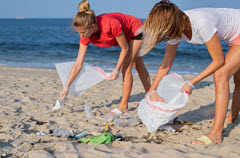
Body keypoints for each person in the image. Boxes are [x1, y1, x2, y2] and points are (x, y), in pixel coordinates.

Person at [139, 0, 240, 145]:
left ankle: (216, 134)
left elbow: (218, 61)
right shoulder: (175, 30)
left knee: (221, 74)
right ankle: (232, 117)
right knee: (238, 80)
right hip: (234, 34)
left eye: (165, 35)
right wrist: (151, 91)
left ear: (172, 25)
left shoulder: (201, 22)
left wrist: (190, 83)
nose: (164, 39)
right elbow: (165, 65)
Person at [60, 0, 150, 115]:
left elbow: (125, 48)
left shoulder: (110, 24)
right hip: (124, 33)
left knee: (126, 67)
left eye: (83, 32)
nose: (81, 36)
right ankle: (150, 96)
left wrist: (116, 70)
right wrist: (66, 87)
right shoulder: (86, 34)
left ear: (93, 26)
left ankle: (123, 106)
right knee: (137, 64)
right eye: (79, 32)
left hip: (135, 29)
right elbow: (78, 63)